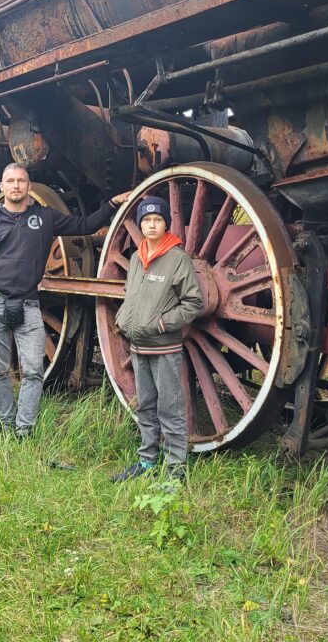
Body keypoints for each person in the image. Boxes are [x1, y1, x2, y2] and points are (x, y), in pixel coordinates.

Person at [0, 163, 130, 438]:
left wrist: (112, 204)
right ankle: (6, 423)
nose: (16, 186)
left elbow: (85, 225)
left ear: (28, 186)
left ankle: (24, 429)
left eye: (21, 181)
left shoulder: (45, 217)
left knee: (34, 370)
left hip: (28, 304)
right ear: (2, 187)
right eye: (10, 181)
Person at [111, 195, 203, 482]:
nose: (151, 225)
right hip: (138, 347)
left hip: (164, 347)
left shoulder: (177, 259)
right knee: (146, 406)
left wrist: (163, 324)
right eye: (147, 220)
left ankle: (176, 469)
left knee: (170, 408)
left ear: (166, 224)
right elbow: (132, 295)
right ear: (141, 224)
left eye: (157, 220)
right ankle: (147, 460)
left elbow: (194, 303)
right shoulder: (137, 258)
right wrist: (124, 318)